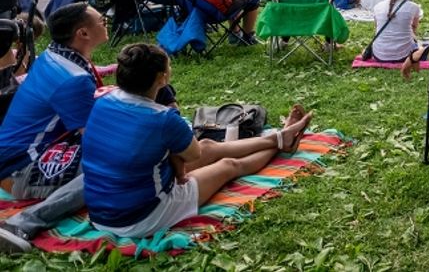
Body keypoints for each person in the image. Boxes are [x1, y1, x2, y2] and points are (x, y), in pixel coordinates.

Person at [81, 44, 312, 239]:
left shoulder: (104, 101)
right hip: (139, 218)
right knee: (228, 165)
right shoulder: (163, 118)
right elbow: (194, 156)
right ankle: (282, 142)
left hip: (101, 211)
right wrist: (179, 169)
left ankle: (280, 138)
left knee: (209, 146)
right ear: (162, 78)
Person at [0, 4, 108, 254]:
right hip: (21, 168)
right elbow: (96, 141)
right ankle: (22, 223)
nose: (106, 23)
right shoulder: (72, 79)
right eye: (102, 20)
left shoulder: (55, 54)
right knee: (114, 165)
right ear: (82, 33)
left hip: (22, 152)